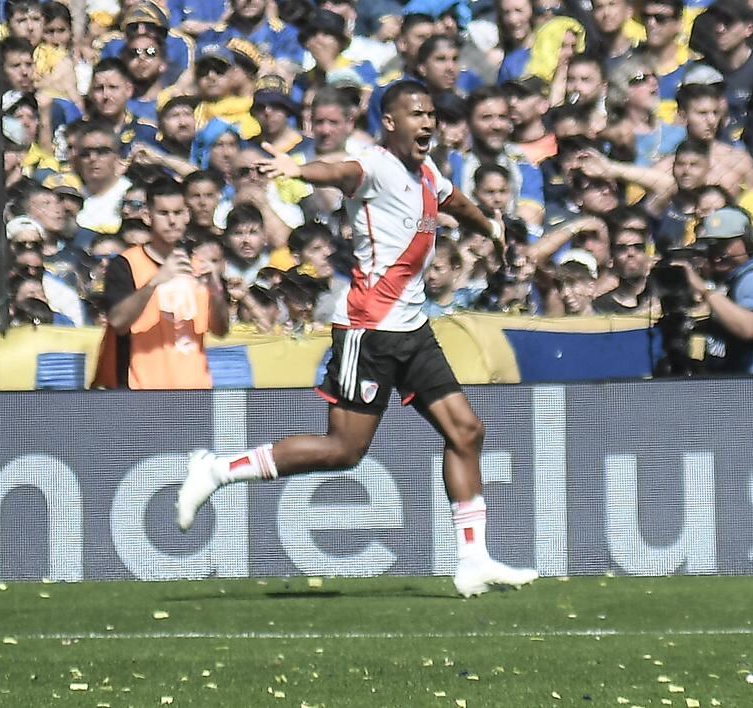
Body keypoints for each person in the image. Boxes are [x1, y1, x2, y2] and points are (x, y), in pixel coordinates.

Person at [175, 81, 538, 597]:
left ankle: (473, 559)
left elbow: (458, 204)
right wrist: (298, 170)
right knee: (345, 450)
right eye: (416, 114)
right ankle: (217, 470)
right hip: (369, 332)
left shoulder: (429, 173)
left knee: (466, 432)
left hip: (412, 331)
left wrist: (492, 228)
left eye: (432, 113)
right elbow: (340, 171)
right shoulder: (375, 165)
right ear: (390, 123)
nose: (428, 122)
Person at [95, 178, 230, 390]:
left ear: (187, 215)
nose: (172, 221)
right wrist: (155, 282)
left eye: (178, 213)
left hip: (195, 390)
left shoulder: (199, 268)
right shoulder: (126, 264)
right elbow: (118, 322)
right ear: (148, 217)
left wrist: (216, 290)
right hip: (141, 390)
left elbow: (221, 330)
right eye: (164, 214)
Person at [683, 207, 753, 374]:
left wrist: (704, 290)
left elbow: (748, 328)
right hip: (734, 379)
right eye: (712, 245)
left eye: (725, 244)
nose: (718, 252)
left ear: (748, 242)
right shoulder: (727, 278)